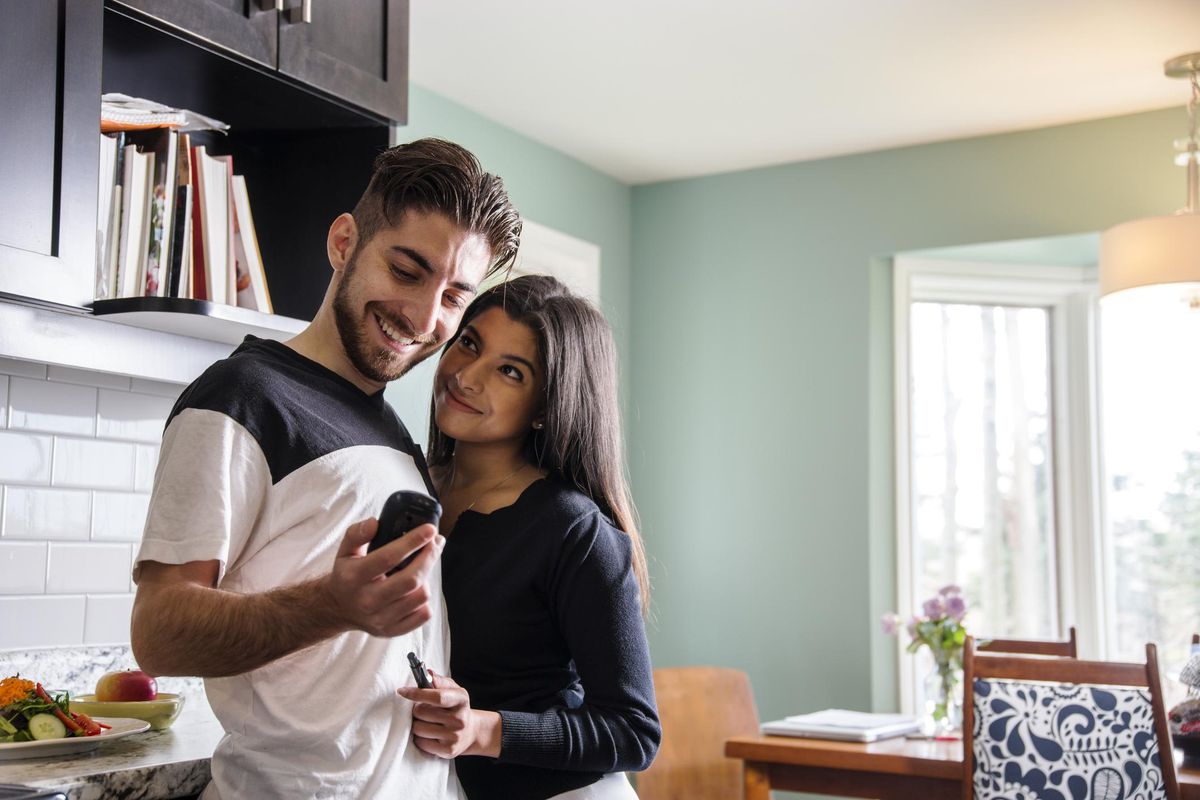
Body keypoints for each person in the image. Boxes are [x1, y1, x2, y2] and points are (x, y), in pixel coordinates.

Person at [129, 138, 522, 799]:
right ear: (344, 242)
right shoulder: (242, 398)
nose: (426, 317)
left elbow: (357, 667)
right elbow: (159, 633)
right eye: (407, 270)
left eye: (454, 295)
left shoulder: (391, 427)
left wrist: (439, 696)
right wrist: (333, 606)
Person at [396, 275, 661, 799]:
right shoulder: (405, 482)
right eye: (469, 343)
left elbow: (635, 731)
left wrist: (481, 729)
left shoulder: (574, 530)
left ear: (545, 407)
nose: (467, 376)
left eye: (510, 372)